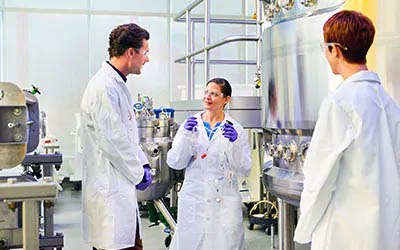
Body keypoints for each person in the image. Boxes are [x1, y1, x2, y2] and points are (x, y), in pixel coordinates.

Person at [294, 10, 400, 250]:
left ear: (335, 50)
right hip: (384, 227)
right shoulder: (388, 103)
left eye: (325, 47)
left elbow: (319, 174)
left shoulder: (340, 102)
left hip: (346, 229)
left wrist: (305, 227)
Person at [80, 23, 152, 250]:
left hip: (120, 190)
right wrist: (138, 172)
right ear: (131, 52)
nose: (147, 59)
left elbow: (127, 135)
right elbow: (114, 142)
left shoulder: (117, 85)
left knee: (129, 241)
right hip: (110, 192)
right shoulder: (104, 87)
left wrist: (143, 163)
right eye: (145, 52)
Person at [167, 78, 252, 250]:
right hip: (195, 198)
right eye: (206, 93)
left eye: (214, 94)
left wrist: (234, 145)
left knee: (225, 243)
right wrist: (184, 136)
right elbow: (175, 162)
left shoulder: (235, 129)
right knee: (192, 243)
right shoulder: (190, 125)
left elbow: (245, 169)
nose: (208, 97)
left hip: (224, 200)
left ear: (226, 99)